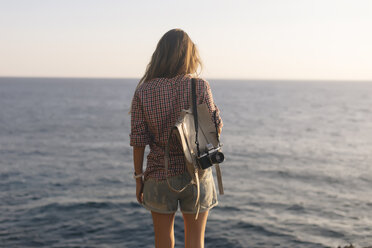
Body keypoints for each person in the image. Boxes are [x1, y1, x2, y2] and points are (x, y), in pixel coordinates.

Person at [129, 28, 223, 248]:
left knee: (163, 241)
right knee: (195, 241)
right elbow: (214, 131)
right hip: (196, 173)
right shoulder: (199, 86)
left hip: (159, 174)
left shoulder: (144, 91)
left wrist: (138, 179)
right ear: (189, 55)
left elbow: (138, 140)